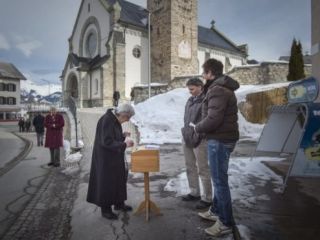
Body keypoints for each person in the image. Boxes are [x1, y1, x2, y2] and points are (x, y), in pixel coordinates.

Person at [195, 58, 239, 237]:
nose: (203, 75)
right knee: (218, 179)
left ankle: (226, 222)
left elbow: (214, 119)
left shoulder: (218, 89)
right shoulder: (220, 87)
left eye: (204, 72)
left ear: (210, 73)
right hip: (221, 138)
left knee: (220, 182)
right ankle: (215, 210)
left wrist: (197, 127)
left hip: (219, 140)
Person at [87, 103, 135, 220]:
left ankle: (119, 204)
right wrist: (124, 144)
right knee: (106, 183)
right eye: (128, 118)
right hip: (105, 158)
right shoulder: (107, 120)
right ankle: (106, 210)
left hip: (113, 156)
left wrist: (122, 136)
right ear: (123, 114)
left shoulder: (114, 119)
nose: (127, 120)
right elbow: (106, 142)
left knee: (118, 179)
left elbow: (112, 136)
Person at [181, 78, 212, 209]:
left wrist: (200, 134)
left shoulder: (206, 99)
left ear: (200, 87)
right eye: (189, 89)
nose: (190, 92)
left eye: (192, 89)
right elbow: (186, 118)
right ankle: (194, 192)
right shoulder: (190, 100)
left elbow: (207, 119)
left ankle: (207, 198)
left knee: (203, 169)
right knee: (190, 166)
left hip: (200, 139)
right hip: (187, 136)